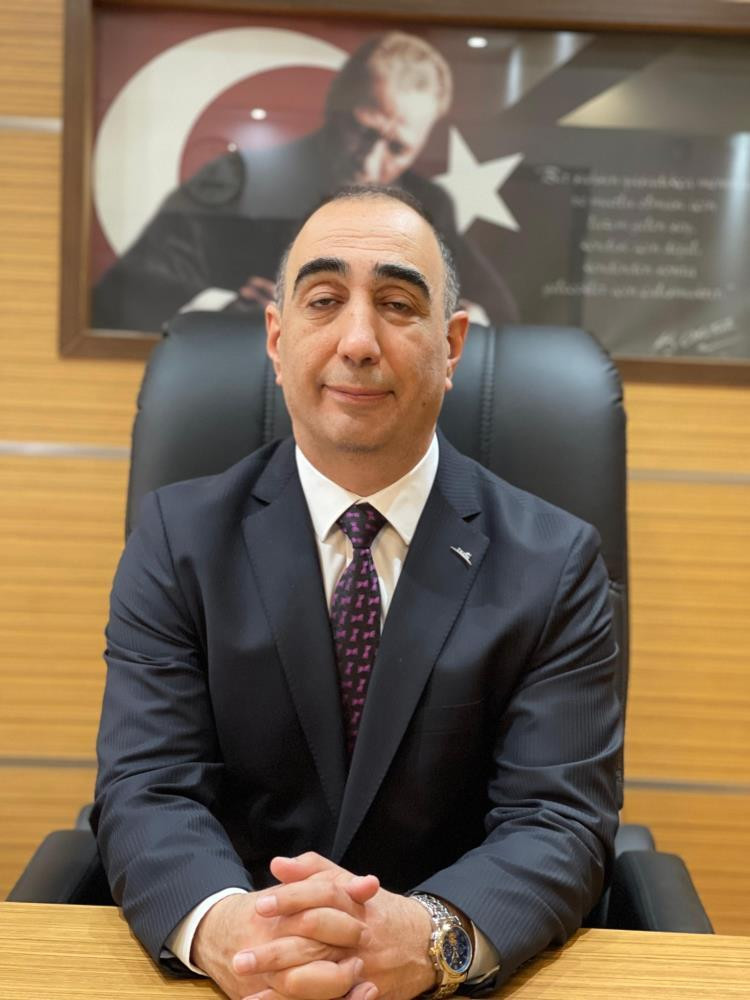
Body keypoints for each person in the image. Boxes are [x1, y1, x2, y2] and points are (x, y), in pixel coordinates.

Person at [92, 185, 620, 1000]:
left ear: (452, 346)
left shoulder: (556, 564)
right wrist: (233, 931)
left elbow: (559, 821)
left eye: (398, 305)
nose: (359, 341)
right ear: (278, 340)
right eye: (325, 301)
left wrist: (430, 937)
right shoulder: (176, 540)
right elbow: (147, 788)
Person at [92, 32, 518, 332]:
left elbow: (496, 311)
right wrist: (224, 308)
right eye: (362, 130)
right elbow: (123, 294)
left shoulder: (428, 203)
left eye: (397, 148)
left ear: (421, 144)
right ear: (334, 107)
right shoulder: (238, 180)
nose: (369, 162)